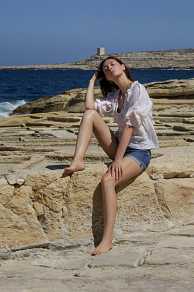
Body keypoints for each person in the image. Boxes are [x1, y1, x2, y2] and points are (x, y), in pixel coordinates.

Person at [63, 56, 159, 255]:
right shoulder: (116, 96)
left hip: (139, 151)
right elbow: (89, 107)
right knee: (90, 115)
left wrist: (117, 160)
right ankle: (78, 160)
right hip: (119, 146)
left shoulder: (138, 90)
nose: (108, 68)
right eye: (105, 68)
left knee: (108, 180)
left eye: (112, 64)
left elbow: (130, 127)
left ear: (123, 67)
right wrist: (91, 82)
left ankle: (107, 240)